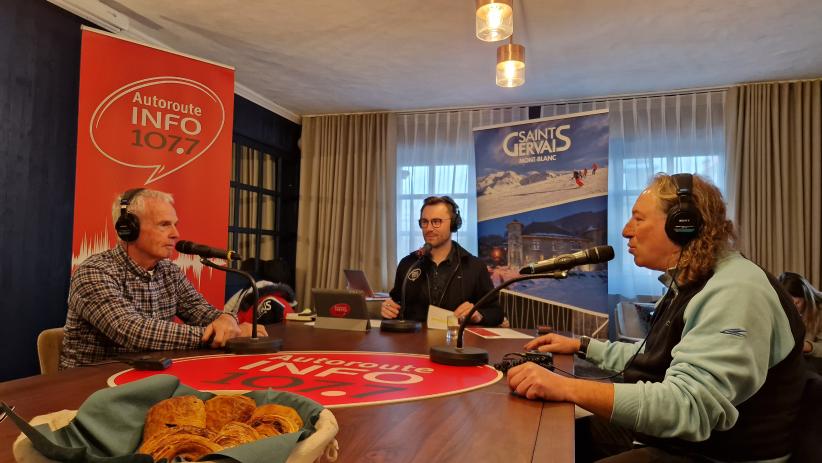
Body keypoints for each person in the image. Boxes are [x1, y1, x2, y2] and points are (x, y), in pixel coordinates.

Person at [507, 173, 806, 462]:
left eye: (638, 219)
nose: (626, 230)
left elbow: (689, 407)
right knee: (551, 431)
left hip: (715, 454)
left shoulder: (736, 290)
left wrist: (565, 386)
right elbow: (655, 356)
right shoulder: (692, 281)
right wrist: (581, 346)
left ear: (682, 225)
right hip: (682, 442)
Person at [60, 188, 265, 369]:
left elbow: (204, 313)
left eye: (175, 224)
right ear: (128, 229)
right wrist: (215, 336)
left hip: (147, 378)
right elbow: (132, 331)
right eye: (164, 225)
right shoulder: (94, 272)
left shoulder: (169, 271)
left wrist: (228, 320)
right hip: (88, 386)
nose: (175, 234)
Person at [380, 196, 503, 326]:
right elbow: (396, 304)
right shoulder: (408, 264)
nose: (429, 228)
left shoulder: (475, 266)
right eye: (424, 222)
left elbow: (496, 312)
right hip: (412, 343)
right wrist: (388, 309)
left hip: (456, 343)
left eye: (436, 221)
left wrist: (478, 315)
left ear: (453, 224)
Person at [778, 272, 822, 371]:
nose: (793, 308)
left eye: (797, 303)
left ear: (806, 296)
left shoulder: (819, 310)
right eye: (788, 304)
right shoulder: (782, 310)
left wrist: (808, 347)